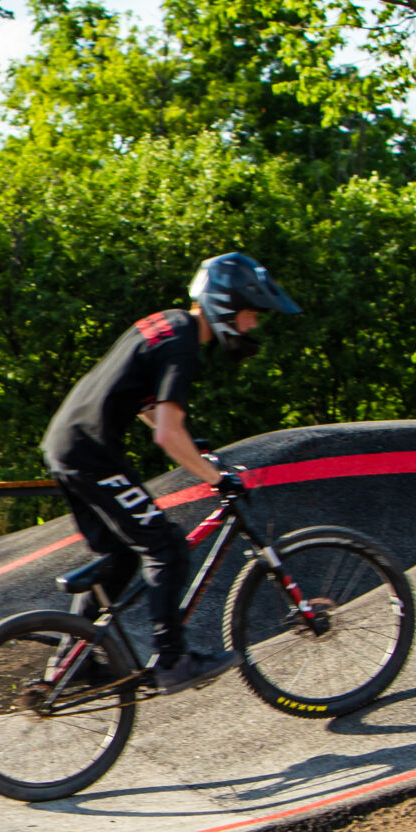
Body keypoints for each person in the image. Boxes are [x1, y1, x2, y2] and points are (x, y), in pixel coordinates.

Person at [41, 251, 299, 693]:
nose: (253, 326)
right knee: (167, 546)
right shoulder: (183, 341)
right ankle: (172, 661)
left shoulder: (167, 324)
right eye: (251, 314)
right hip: (90, 454)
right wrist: (217, 479)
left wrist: (198, 452)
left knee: (122, 556)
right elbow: (166, 433)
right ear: (225, 304)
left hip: (65, 447)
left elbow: (146, 407)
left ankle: (70, 663)